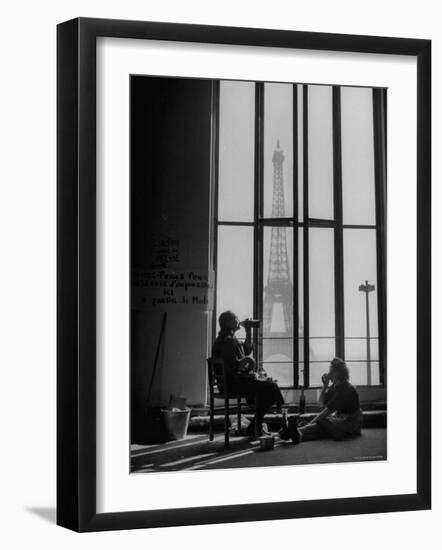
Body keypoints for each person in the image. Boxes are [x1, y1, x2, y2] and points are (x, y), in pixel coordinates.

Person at [211, 310, 284, 438]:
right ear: (228, 323)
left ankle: (255, 426)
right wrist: (249, 361)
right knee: (271, 387)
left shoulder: (226, 339)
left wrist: (247, 332)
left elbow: (246, 350)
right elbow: (238, 364)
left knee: (266, 387)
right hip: (234, 384)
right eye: (235, 318)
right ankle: (257, 425)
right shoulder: (228, 341)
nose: (238, 320)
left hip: (231, 383)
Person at [281, 357, 363, 443]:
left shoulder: (345, 389)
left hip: (351, 423)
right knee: (322, 426)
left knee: (322, 420)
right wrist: (325, 386)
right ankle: (298, 435)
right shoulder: (335, 386)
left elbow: (325, 412)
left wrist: (308, 425)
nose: (329, 374)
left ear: (338, 373)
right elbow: (320, 404)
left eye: (331, 371)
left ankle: (296, 432)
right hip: (340, 419)